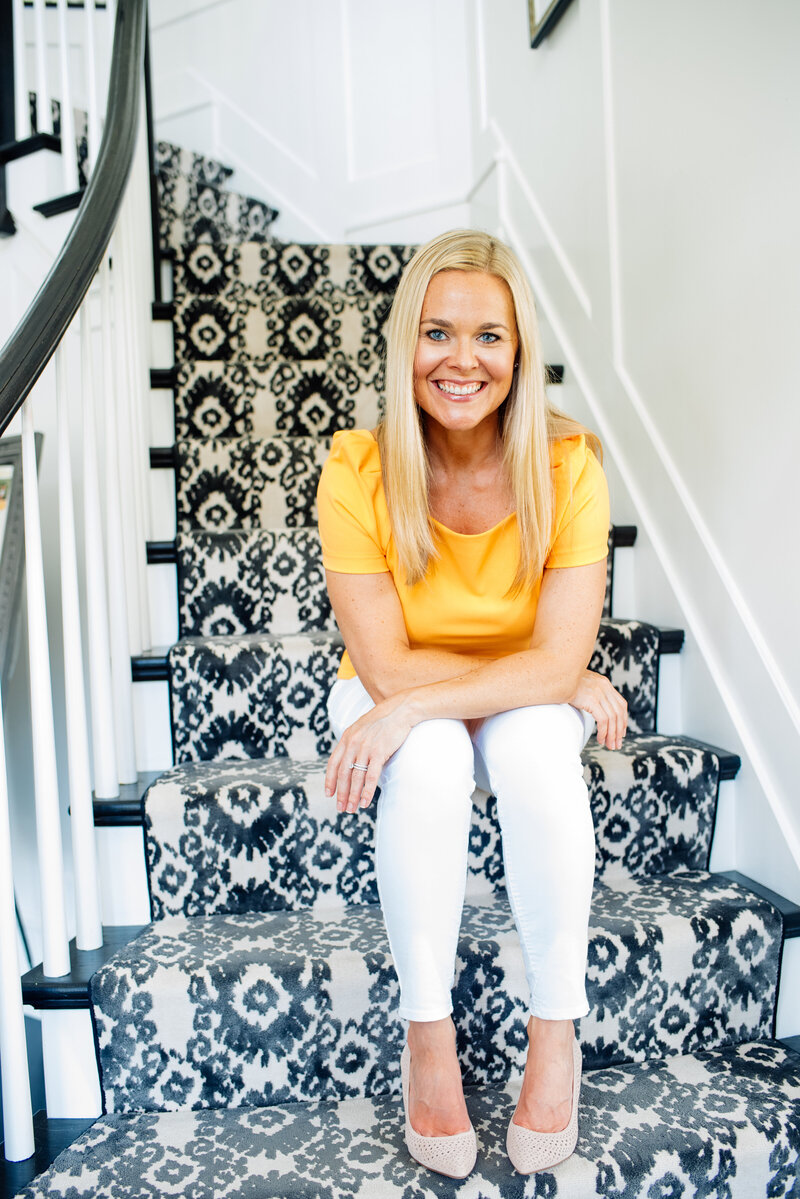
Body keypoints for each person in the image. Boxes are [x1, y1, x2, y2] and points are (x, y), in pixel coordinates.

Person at [316, 229, 627, 1179]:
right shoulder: (357, 469)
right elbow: (383, 666)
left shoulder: (571, 464)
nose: (463, 360)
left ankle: (556, 1030)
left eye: (489, 336)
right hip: (392, 694)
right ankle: (428, 1036)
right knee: (437, 751)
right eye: (438, 332)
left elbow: (554, 662)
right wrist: (546, 669)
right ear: (405, 342)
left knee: (535, 749)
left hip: (502, 697)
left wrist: (551, 674)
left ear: (520, 352)